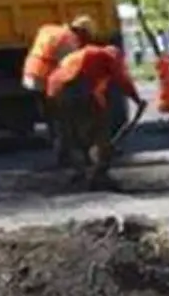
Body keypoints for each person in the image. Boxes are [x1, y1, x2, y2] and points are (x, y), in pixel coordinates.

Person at [45, 38, 140, 189]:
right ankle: (99, 174)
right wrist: (137, 99)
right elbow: (121, 79)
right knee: (101, 131)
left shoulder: (82, 56)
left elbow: (97, 92)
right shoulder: (107, 56)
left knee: (72, 133)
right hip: (75, 87)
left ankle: (81, 173)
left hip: (55, 91)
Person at [23, 15, 95, 165]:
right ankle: (66, 156)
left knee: (54, 116)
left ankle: (64, 151)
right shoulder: (69, 42)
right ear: (81, 32)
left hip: (30, 75)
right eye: (86, 35)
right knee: (63, 117)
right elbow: (70, 69)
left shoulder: (49, 29)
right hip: (43, 79)